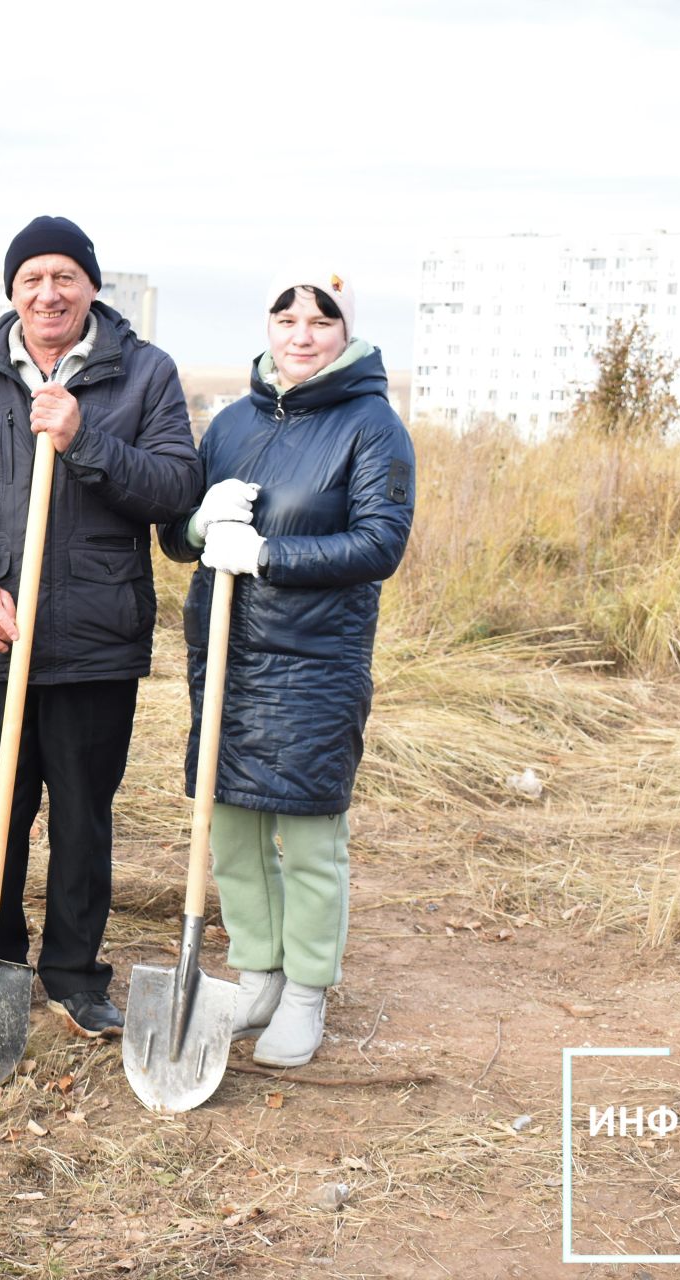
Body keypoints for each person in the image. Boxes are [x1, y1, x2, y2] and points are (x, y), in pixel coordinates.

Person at [0, 215, 202, 1038]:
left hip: (92, 641)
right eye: (32, 278)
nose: (49, 292)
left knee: (83, 814)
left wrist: (85, 439)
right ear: (12, 291)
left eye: (65, 277)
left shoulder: (143, 374)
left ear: (92, 288)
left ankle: (75, 974)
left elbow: (176, 488)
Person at [157, 269, 415, 1067]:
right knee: (230, 831)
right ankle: (258, 976)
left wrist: (266, 553)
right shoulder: (232, 423)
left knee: (306, 840)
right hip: (227, 659)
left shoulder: (372, 427)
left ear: (347, 333)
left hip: (314, 665)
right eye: (287, 318)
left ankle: (305, 993)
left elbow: (380, 545)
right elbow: (177, 535)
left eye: (321, 320)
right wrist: (199, 523)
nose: (302, 334)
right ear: (268, 329)